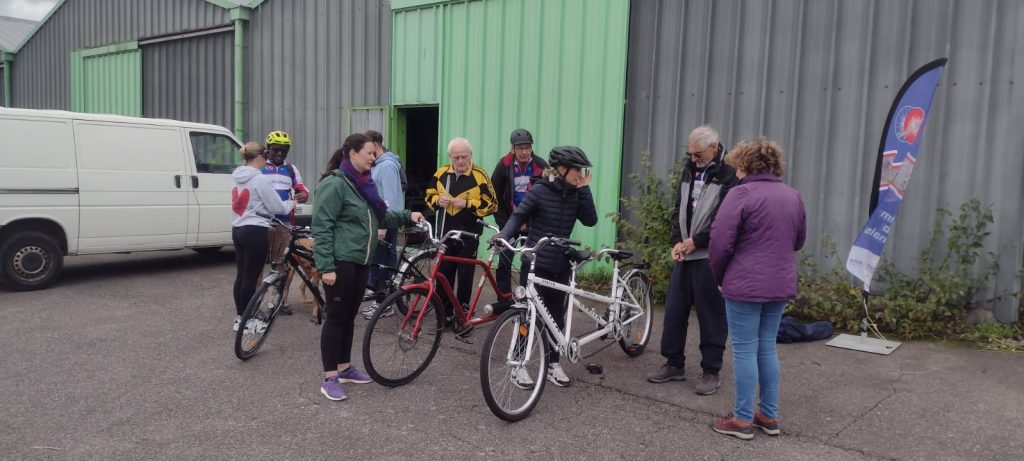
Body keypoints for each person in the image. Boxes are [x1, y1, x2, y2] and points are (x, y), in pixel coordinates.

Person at [312, 133, 424, 401]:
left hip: (362, 261)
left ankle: (344, 368)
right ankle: (330, 378)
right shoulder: (335, 184)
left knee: (349, 316)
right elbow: (322, 227)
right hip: (340, 262)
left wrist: (409, 215)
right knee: (335, 317)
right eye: (369, 153)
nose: (374, 158)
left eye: (374, 153)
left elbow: (382, 216)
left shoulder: (363, 184)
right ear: (352, 153)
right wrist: (326, 267)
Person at [708, 138, 806, 440]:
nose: (736, 172)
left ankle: (741, 420)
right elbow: (798, 241)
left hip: (745, 283)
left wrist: (720, 276)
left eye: (737, 167)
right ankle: (768, 415)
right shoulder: (793, 195)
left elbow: (719, 243)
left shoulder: (740, 194)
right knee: (766, 346)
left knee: (745, 349)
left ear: (745, 165)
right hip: (779, 282)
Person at [496, 146, 597, 387]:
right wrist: (503, 236)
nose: (581, 174)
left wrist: (584, 189)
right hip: (535, 264)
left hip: (560, 264)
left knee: (555, 317)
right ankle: (518, 366)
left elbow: (590, 220)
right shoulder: (539, 190)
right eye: (577, 170)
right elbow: (518, 216)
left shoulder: (576, 193)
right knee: (526, 317)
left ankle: (553, 364)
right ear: (562, 169)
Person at [648, 125, 737, 396]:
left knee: (711, 315)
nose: (694, 159)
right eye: (691, 154)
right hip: (685, 253)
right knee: (674, 311)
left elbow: (726, 220)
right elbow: (679, 208)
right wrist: (677, 240)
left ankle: (711, 370)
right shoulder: (690, 168)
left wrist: (697, 241)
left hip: (709, 256)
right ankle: (674, 363)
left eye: (698, 154)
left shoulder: (730, 173)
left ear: (714, 147)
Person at [424, 137, 498, 325]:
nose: (460, 161)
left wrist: (467, 203)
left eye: (464, 156)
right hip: (445, 234)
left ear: (470, 155)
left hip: (469, 235)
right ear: (450, 157)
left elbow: (492, 205)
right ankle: (444, 313)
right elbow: (428, 196)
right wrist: (437, 201)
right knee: (443, 274)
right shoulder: (442, 173)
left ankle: (462, 314)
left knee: (465, 276)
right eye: (456, 157)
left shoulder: (480, 175)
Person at [230, 142, 293, 332]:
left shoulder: (236, 176)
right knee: (251, 278)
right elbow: (277, 207)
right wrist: (291, 203)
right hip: (255, 230)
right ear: (258, 158)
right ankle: (249, 322)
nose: (266, 161)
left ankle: (240, 318)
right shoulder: (259, 179)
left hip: (237, 228)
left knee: (241, 276)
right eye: (265, 157)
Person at [490, 128, 548, 294]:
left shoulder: (541, 165)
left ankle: (525, 298)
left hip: (532, 223)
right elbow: (494, 196)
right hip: (509, 221)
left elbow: (548, 194)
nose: (524, 152)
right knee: (504, 260)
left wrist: (528, 223)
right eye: (520, 148)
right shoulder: (503, 165)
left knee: (528, 262)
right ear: (512, 148)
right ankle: (504, 298)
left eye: (527, 148)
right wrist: (505, 223)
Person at [261, 130, 309, 316]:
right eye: (276, 150)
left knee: (280, 265)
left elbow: (301, 190)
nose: (280, 153)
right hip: (261, 223)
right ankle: (254, 305)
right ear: (268, 149)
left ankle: (276, 302)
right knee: (257, 266)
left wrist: (303, 195)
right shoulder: (260, 167)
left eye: (284, 150)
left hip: (284, 225)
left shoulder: (291, 169)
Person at [364, 130, 404, 309]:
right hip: (377, 220)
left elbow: (390, 197)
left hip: (385, 222)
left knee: (384, 262)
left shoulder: (387, 166)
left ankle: (385, 303)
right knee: (377, 261)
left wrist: (384, 225)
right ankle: (379, 298)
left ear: (375, 143)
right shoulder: (377, 165)